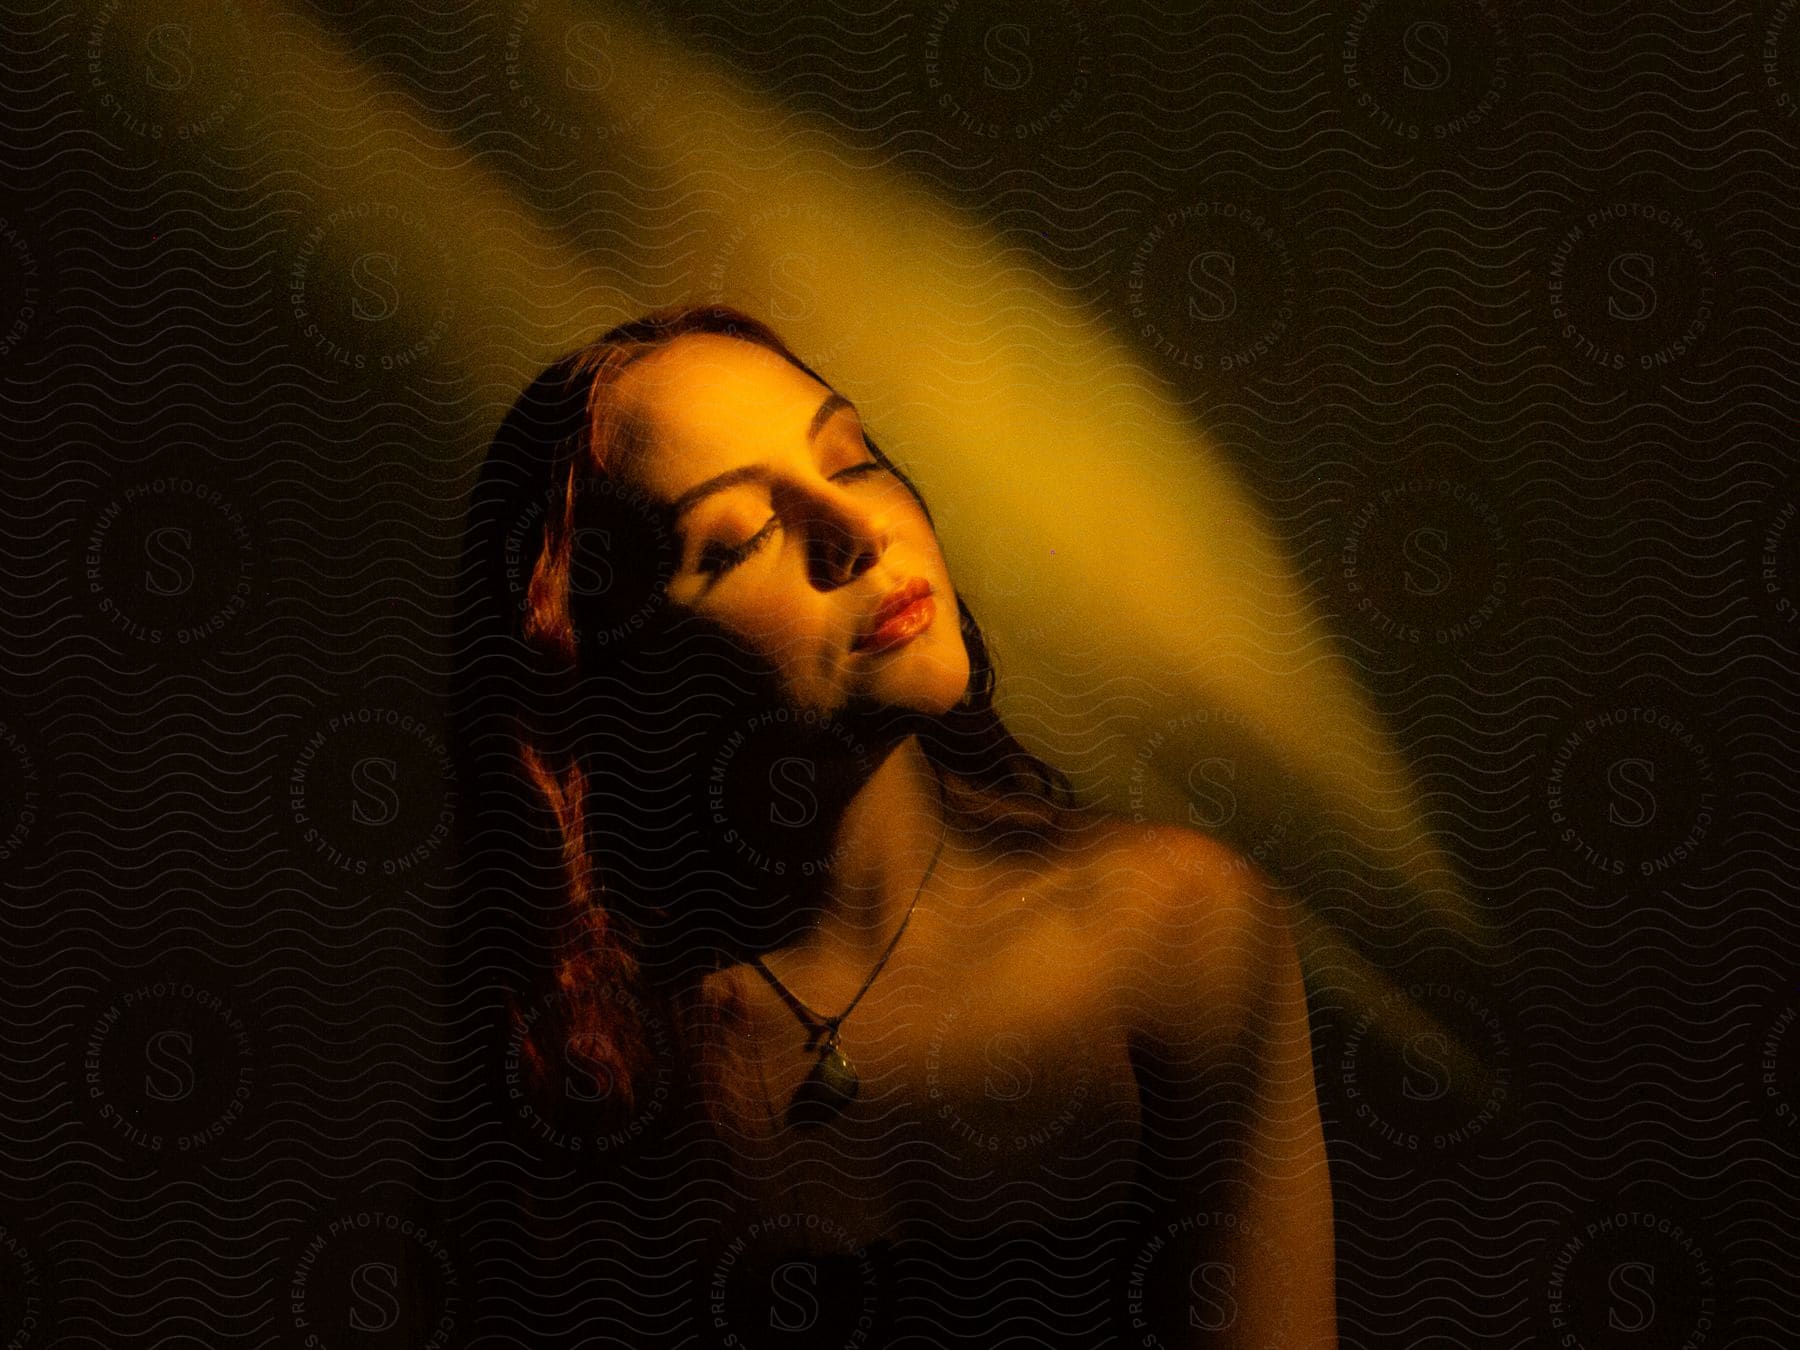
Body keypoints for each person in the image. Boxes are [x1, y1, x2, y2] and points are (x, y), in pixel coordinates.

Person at [448, 302, 1336, 1348]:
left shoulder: (1176, 925)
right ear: (622, 674)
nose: (858, 533)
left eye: (852, 457)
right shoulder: (578, 1058)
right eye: (737, 539)